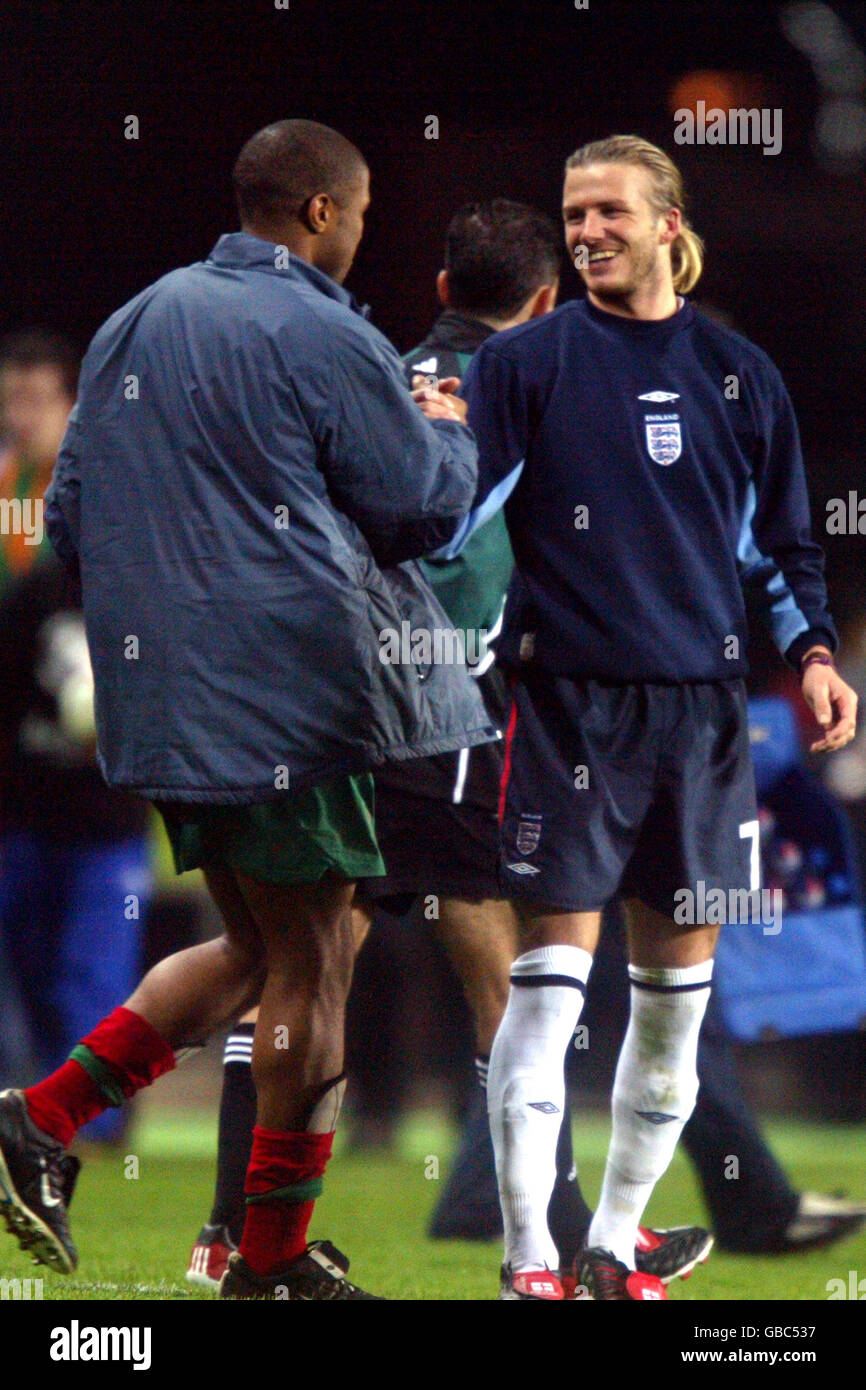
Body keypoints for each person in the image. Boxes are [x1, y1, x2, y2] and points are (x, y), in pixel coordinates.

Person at [0, 118, 495, 1301]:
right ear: (321, 210)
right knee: (314, 965)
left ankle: (46, 1114)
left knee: (257, 948)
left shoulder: (131, 321)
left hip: (162, 703)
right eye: (361, 210)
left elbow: (64, 522)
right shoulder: (326, 331)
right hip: (293, 698)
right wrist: (447, 433)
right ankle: (267, 1261)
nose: (362, 231)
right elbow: (423, 512)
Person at [186, 200, 711, 1294]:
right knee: (513, 987)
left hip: (327, 715)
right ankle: (564, 1240)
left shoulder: (368, 368)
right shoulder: (542, 391)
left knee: (298, 971)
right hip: (458, 724)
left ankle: (228, 1229)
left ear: (435, 289)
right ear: (542, 303)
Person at [443, 134, 857, 1300]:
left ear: (666, 223)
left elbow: (778, 549)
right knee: (547, 993)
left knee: (674, 1012)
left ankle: (616, 1248)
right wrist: (416, 450)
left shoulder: (738, 375)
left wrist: (813, 655)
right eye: (572, 214)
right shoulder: (523, 367)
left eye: (607, 213)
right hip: (567, 713)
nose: (584, 232)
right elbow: (444, 524)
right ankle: (531, 1258)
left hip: (706, 724)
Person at [0, 334, 150, 1143]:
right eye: (8, 401)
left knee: (90, 971)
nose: (18, 417)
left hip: (105, 809)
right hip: (23, 800)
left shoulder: (126, 556)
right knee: (27, 964)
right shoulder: (9, 518)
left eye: (35, 400)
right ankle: (44, 1111)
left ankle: (90, 1126)